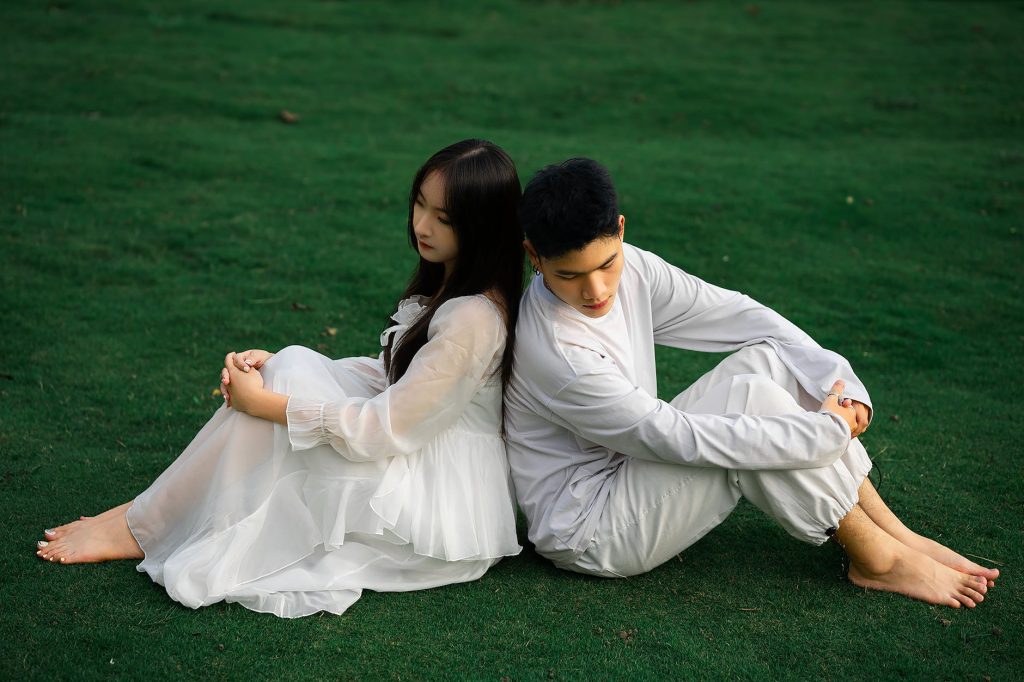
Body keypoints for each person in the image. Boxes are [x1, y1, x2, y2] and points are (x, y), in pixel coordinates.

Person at [36, 139, 525, 618]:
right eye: (419, 204)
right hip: (416, 448)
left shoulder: (472, 321)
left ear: (481, 228)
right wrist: (280, 372)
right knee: (287, 366)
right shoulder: (455, 280)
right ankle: (148, 517)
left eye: (443, 218)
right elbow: (397, 377)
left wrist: (263, 404)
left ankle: (143, 523)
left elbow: (384, 429)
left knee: (275, 404)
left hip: (434, 514)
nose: (421, 225)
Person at [505, 158, 999, 608]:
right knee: (754, 400)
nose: (595, 290)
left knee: (770, 360)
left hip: (634, 466)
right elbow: (677, 437)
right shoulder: (557, 352)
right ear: (534, 256)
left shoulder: (634, 269)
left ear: (620, 231)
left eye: (606, 264)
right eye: (570, 276)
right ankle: (878, 560)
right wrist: (826, 432)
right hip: (591, 527)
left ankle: (894, 533)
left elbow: (741, 316)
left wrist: (841, 383)